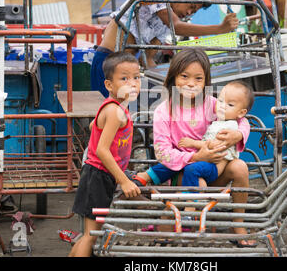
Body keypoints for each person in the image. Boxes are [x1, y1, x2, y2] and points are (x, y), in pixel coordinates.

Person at [128, 48, 255, 246]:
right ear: (173, 78)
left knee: (240, 167)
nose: (190, 84)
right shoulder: (164, 111)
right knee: (167, 229)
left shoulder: (212, 104)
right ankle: (181, 220)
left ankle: (237, 224)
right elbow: (162, 153)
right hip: (179, 173)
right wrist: (196, 157)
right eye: (184, 76)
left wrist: (238, 134)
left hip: (212, 171)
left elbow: (242, 120)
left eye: (198, 79)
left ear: (206, 82)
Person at [91, 0, 239, 97]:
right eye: (191, 7)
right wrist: (219, 29)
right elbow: (177, 25)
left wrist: (171, 84)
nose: (189, 13)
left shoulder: (165, 26)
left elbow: (147, 58)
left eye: (193, 12)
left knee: (124, 120)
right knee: (106, 115)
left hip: (126, 73)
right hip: (107, 62)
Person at [69, 52, 142, 257]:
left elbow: (94, 126)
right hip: (98, 176)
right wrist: (124, 181)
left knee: (89, 233)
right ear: (109, 85)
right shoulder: (114, 112)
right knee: (91, 235)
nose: (133, 83)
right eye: (124, 78)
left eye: (136, 77)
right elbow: (102, 150)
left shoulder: (116, 108)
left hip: (99, 175)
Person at [177, 80, 255, 185]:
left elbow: (243, 122)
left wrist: (239, 134)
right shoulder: (218, 118)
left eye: (230, 104)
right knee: (195, 178)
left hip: (213, 168)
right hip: (190, 164)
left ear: (241, 112)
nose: (222, 105)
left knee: (239, 167)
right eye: (221, 101)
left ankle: (240, 202)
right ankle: (190, 197)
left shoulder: (228, 124)